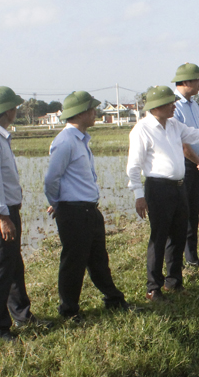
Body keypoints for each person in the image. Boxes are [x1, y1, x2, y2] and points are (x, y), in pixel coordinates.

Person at [127, 86, 199, 301]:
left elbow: (197, 135)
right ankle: (153, 287)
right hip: (158, 188)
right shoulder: (142, 129)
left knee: (179, 234)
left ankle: (174, 282)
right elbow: (133, 166)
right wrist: (138, 194)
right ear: (158, 107)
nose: (174, 106)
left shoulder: (173, 125)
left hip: (178, 186)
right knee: (159, 237)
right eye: (170, 103)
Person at [44, 91, 129, 321]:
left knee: (98, 259)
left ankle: (113, 299)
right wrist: (57, 203)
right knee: (74, 263)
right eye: (92, 110)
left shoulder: (81, 139)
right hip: (73, 211)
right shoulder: (65, 142)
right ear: (81, 113)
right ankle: (69, 310)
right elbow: (51, 179)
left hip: (89, 210)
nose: (95, 113)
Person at [0, 86, 48, 341]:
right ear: (7, 110)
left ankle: (22, 315)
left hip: (6, 212)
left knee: (14, 266)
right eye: (15, 107)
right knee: (0, 270)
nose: (16, 110)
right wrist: (4, 217)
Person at [171, 63, 199, 267]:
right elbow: (182, 143)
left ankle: (192, 255)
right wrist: (198, 161)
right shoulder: (173, 107)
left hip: (198, 163)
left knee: (194, 210)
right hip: (186, 166)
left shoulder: (194, 105)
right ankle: (185, 256)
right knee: (183, 212)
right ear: (186, 82)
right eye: (197, 80)